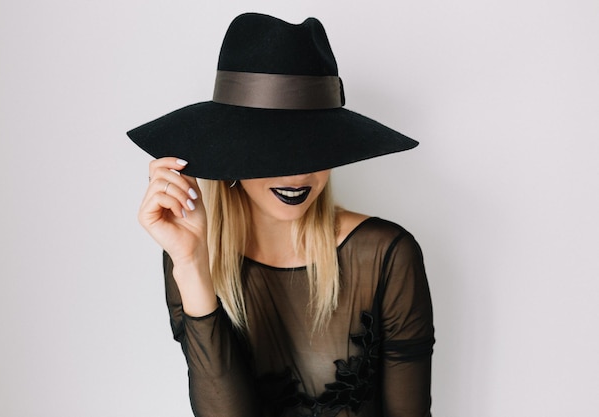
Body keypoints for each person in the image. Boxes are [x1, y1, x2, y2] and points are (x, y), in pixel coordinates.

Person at [128, 13, 434, 417]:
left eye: (316, 149)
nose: (299, 173)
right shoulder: (191, 258)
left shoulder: (385, 255)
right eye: (276, 150)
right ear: (231, 156)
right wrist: (191, 266)